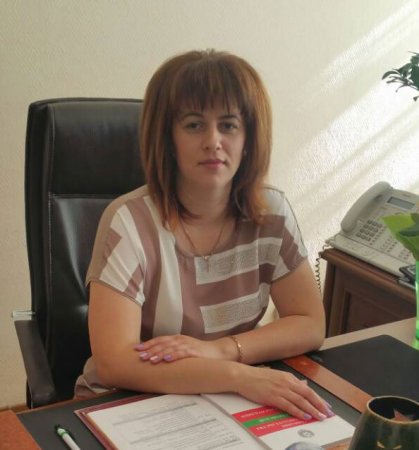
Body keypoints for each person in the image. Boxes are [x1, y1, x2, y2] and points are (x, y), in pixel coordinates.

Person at [75, 49, 331, 422]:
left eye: (229, 125)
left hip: (227, 402)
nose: (213, 141)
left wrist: (221, 350)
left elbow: (310, 323)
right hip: (131, 403)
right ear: (168, 138)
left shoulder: (271, 212)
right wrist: (238, 377)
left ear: (248, 137)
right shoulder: (129, 221)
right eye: (194, 125)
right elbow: (115, 363)